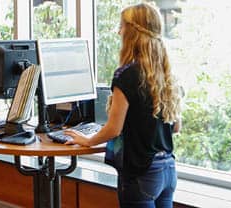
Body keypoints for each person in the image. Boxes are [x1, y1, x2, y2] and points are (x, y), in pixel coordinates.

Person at [63, 3, 183, 208]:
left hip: (141, 172)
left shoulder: (127, 75)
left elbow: (113, 128)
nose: (119, 32)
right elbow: (176, 127)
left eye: (122, 26)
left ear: (133, 32)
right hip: (167, 170)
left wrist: (87, 141)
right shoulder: (165, 72)